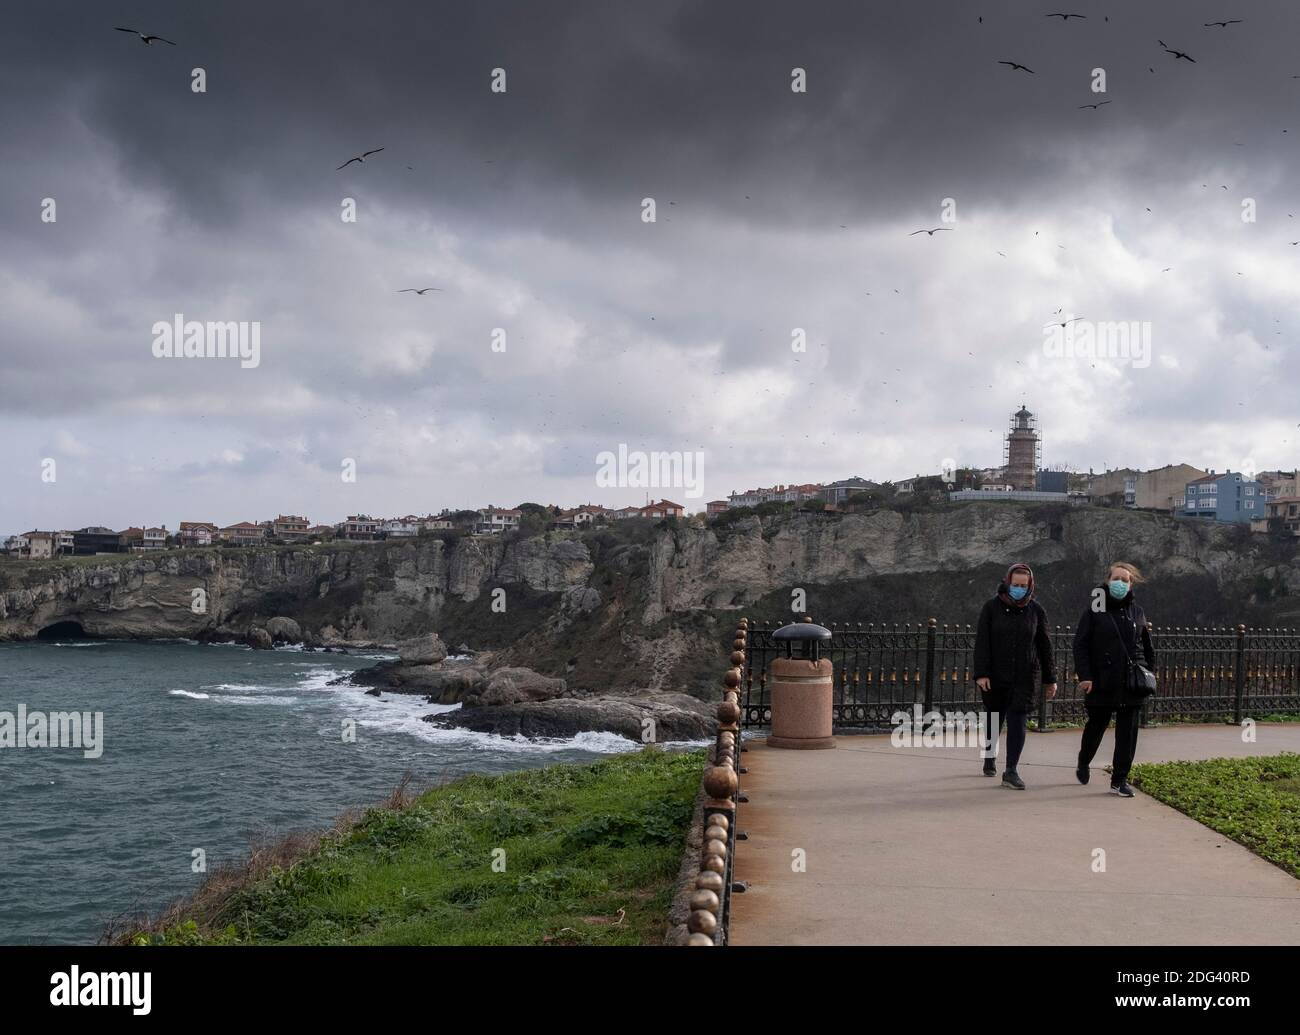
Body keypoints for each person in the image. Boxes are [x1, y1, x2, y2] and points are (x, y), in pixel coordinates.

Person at [1073, 561, 1155, 798]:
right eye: (1116, 579)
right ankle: (1083, 760)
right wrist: (1085, 676)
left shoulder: (1137, 612)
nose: (1120, 583)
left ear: (1131, 585)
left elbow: (1145, 645)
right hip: (1102, 680)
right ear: (1108, 581)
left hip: (1129, 682)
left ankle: (1119, 780)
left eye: (1125, 580)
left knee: (1127, 733)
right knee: (1096, 726)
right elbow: (1081, 645)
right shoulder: (1095, 609)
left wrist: (1148, 670)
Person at [973, 562, 1057, 789]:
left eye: (1023, 585)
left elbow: (1044, 646)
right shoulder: (991, 607)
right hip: (996, 675)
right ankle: (989, 757)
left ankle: (1011, 770)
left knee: (1018, 720)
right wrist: (982, 673)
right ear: (1007, 582)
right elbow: (982, 642)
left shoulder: (1036, 611)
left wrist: (1051, 678)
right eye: (1015, 584)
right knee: (993, 718)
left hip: (1025, 676)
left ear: (1030, 586)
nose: (1019, 588)